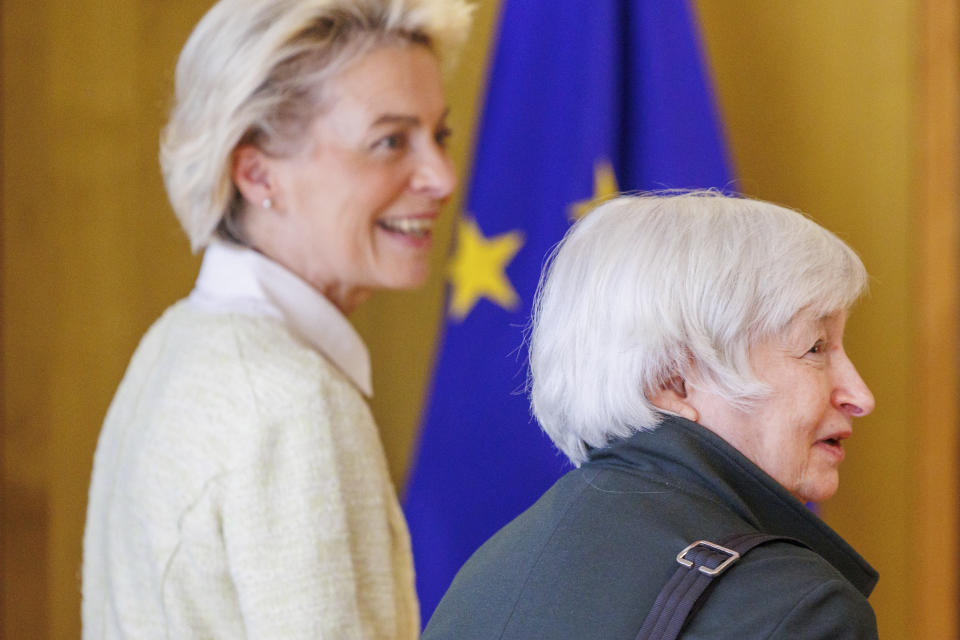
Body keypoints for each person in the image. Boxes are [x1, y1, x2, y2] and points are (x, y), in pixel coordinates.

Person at [82, 0, 471, 637]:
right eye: (390, 141)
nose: (441, 176)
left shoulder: (172, 343)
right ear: (258, 172)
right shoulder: (293, 403)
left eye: (439, 136)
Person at [423, 192, 879, 639]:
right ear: (673, 380)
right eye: (815, 348)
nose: (859, 395)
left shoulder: (489, 573)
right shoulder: (796, 609)